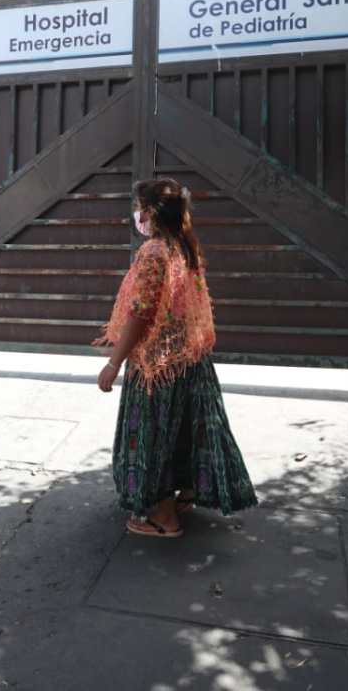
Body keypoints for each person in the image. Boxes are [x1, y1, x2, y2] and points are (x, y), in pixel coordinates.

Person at [95, 178, 257, 538]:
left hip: (159, 366)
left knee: (154, 437)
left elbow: (141, 312)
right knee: (184, 429)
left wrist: (113, 362)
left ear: (151, 212)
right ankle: (187, 493)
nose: (136, 214)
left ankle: (163, 517)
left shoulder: (154, 252)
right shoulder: (185, 246)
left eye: (138, 207)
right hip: (188, 358)